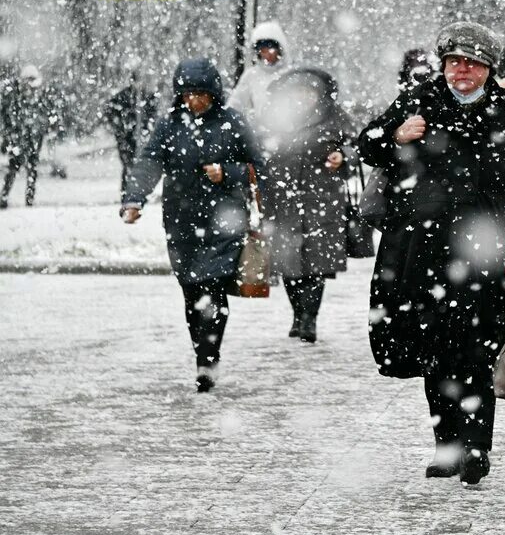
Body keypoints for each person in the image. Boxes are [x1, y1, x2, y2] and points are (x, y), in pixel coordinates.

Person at [359, 21, 505, 487]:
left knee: (477, 349)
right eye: (456, 62)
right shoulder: (421, 100)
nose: (463, 71)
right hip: (422, 249)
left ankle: (477, 446)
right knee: (434, 349)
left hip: (484, 249)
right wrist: (395, 136)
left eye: (473, 64)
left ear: (488, 69)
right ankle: (446, 445)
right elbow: (366, 143)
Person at [121, 59, 261, 393]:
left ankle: (207, 360)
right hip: (181, 221)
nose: (194, 101)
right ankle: (202, 351)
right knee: (191, 291)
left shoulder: (232, 123)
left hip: (224, 221)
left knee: (212, 289)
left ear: (213, 93)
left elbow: (259, 165)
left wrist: (228, 172)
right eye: (187, 94)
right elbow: (149, 162)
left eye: (200, 94)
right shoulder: (170, 125)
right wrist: (134, 198)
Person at [258, 67, 359, 343]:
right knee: (290, 263)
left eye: (309, 92)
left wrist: (343, 156)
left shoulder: (335, 117)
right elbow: (259, 149)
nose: (303, 98)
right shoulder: (277, 118)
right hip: (284, 198)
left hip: (323, 200)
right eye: (298, 92)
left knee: (316, 263)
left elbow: (359, 146)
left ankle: (309, 319)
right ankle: (297, 314)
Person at [1, 65, 53, 209]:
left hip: (31, 138)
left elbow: (45, 115)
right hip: (21, 138)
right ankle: (6, 196)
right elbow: (8, 117)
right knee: (16, 169)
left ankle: (26, 198)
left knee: (31, 169)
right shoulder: (16, 97)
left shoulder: (36, 97)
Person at [104, 72, 161, 194]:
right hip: (126, 138)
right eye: (136, 81)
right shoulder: (123, 97)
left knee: (140, 165)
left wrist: (147, 128)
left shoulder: (148, 97)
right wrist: (121, 127)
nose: (139, 85)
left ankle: (137, 191)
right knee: (128, 165)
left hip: (141, 137)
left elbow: (153, 115)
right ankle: (127, 192)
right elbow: (111, 112)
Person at [227, 20, 291, 123]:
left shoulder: (289, 74)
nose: (267, 55)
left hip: (287, 133)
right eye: (263, 51)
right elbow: (235, 105)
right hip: (258, 134)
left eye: (271, 50)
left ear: (279, 50)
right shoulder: (251, 75)